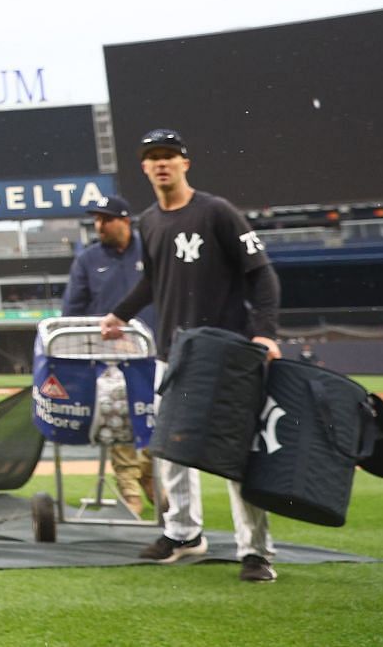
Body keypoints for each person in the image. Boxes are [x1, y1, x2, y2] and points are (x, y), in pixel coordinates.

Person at [101, 129, 283, 583]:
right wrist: (118, 315)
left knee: (237, 453)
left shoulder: (217, 212)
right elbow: (151, 281)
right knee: (173, 451)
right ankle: (183, 534)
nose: (161, 164)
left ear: (185, 163)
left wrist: (265, 334)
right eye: (152, 158)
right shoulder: (148, 221)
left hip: (226, 351)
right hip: (174, 353)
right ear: (144, 168)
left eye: (169, 156)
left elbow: (262, 275)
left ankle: (256, 552)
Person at [62, 194, 155, 517]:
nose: (99, 225)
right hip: (111, 359)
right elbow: (72, 311)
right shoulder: (87, 260)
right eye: (97, 219)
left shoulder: (152, 250)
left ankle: (147, 472)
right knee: (121, 418)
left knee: (162, 420)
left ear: (125, 220)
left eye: (106, 218)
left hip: (157, 353)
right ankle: (129, 485)